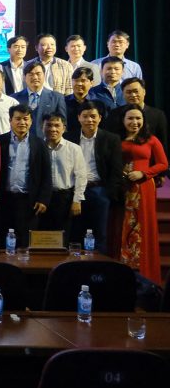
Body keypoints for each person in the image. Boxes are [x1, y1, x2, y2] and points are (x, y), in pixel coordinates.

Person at [115, 105, 167, 284]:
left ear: (144, 120)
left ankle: (145, 274)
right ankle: (122, 272)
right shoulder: (116, 139)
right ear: (123, 120)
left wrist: (143, 173)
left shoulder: (151, 140)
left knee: (143, 228)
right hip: (122, 189)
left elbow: (163, 164)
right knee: (121, 226)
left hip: (143, 188)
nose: (134, 122)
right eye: (130, 118)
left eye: (138, 118)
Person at [65, 101, 122, 252]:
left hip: (99, 191)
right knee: (75, 232)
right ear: (78, 117)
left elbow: (116, 170)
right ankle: (74, 264)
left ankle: (98, 265)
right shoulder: (69, 137)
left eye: (93, 116)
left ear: (100, 118)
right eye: (85, 116)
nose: (89, 120)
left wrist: (109, 194)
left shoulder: (111, 139)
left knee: (100, 233)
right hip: (74, 192)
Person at [0, 104, 52, 247]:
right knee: (2, 240)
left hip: (29, 201)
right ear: (10, 120)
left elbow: (46, 173)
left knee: (25, 241)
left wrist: (43, 199)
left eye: (26, 119)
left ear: (31, 121)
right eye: (18, 119)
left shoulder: (39, 144)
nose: (22, 122)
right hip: (4, 199)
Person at [39, 113, 87, 241]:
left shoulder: (74, 149)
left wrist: (77, 200)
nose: (53, 129)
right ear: (42, 127)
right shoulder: (37, 147)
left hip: (64, 198)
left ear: (64, 128)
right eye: (49, 125)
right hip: (41, 198)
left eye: (57, 125)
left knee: (62, 237)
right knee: (41, 237)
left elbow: (81, 176)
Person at [106, 78, 169, 155]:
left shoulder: (157, 115)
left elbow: (163, 143)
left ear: (144, 92)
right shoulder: (114, 114)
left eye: (136, 91)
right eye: (128, 92)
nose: (133, 95)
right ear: (123, 94)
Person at [14, 62, 68, 139]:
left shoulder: (57, 98)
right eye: (31, 74)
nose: (35, 77)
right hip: (22, 142)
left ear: (44, 75)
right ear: (24, 77)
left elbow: (63, 124)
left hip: (48, 142)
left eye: (38, 74)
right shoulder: (14, 98)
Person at [64, 66, 104, 140]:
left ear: (91, 83)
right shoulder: (63, 101)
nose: (79, 83)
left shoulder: (98, 103)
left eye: (83, 80)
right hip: (69, 140)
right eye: (76, 80)